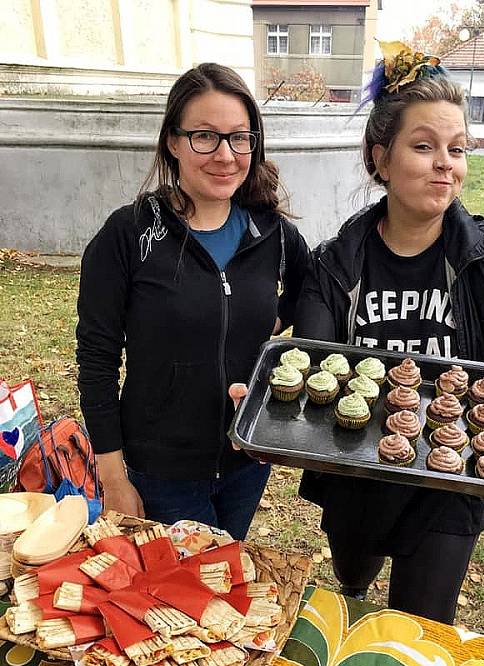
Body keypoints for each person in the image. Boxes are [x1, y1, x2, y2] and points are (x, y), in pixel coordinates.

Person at [291, 43, 484, 623]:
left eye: (457, 149)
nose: (446, 163)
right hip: (357, 476)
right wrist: (283, 394)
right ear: (381, 159)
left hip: (452, 482)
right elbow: (313, 366)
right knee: (353, 581)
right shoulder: (334, 265)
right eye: (424, 147)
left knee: (418, 628)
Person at [76, 63, 311, 539]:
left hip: (246, 461)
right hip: (157, 470)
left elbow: (308, 297)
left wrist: (260, 330)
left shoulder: (273, 234)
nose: (225, 155)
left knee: (224, 583)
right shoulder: (129, 234)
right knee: (179, 600)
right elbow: (97, 360)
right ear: (173, 141)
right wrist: (113, 476)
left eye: (239, 138)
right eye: (205, 136)